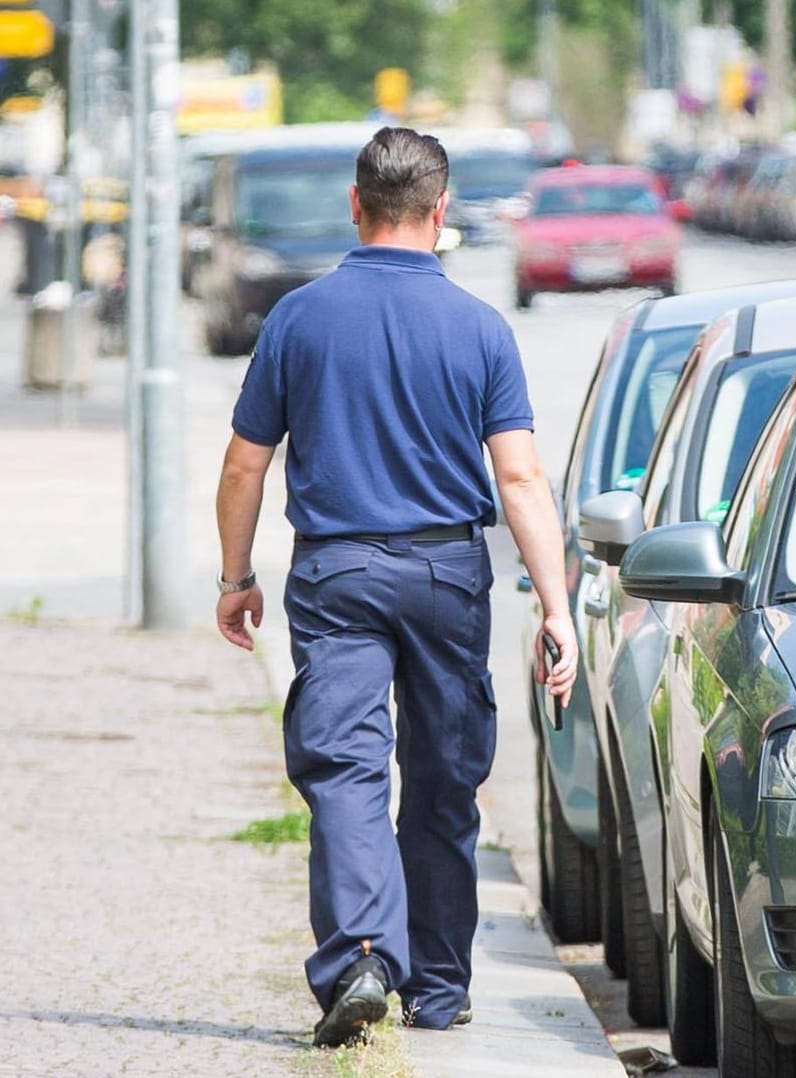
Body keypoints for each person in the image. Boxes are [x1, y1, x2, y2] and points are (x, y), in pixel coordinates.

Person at [213, 127, 577, 1048]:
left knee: (344, 766)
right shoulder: (480, 328)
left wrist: (235, 577)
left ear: (354, 204)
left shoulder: (299, 317)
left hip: (336, 572)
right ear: (441, 210)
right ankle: (442, 989)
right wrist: (556, 606)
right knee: (445, 778)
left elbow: (244, 468)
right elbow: (522, 480)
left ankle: (363, 955)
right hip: (448, 574)